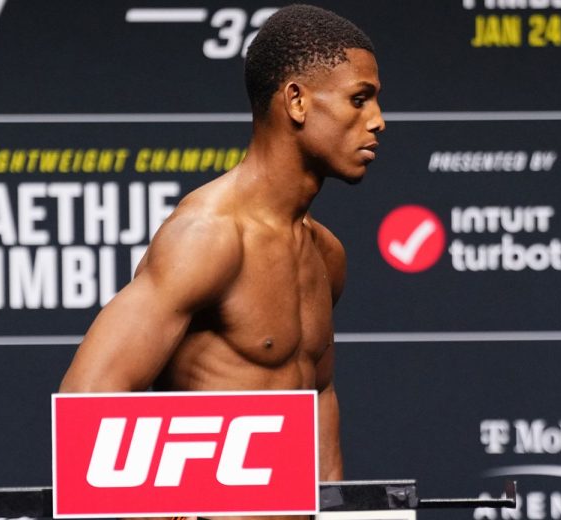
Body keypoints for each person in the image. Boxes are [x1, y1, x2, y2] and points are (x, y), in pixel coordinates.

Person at [59, 3, 384, 487]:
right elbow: (87, 401)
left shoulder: (325, 254)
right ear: (296, 102)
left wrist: (334, 513)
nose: (378, 121)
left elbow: (318, 397)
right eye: (359, 99)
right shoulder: (209, 236)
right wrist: (168, 515)